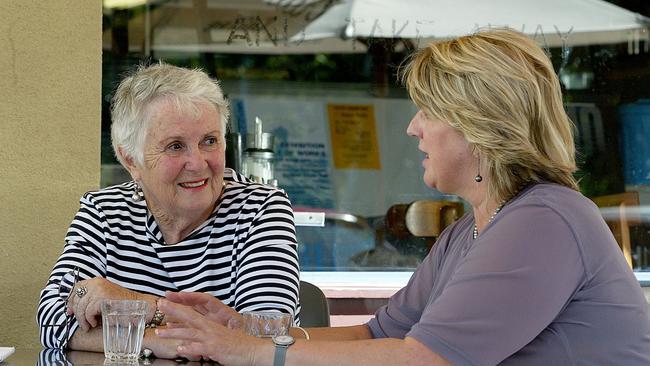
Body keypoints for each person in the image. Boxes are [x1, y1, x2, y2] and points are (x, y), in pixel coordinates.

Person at [155, 28, 650, 365]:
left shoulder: (544, 221)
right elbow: (378, 336)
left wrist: (251, 353)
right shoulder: (472, 229)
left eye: (426, 111)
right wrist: (248, 332)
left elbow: (421, 358)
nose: (413, 128)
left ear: (477, 124)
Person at [37, 63, 300, 359]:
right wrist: (156, 342)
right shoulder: (104, 212)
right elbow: (53, 321)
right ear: (131, 160)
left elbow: (267, 333)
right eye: (175, 146)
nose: (198, 163)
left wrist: (139, 306)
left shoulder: (260, 209)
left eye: (209, 141)